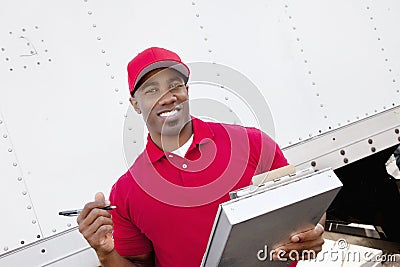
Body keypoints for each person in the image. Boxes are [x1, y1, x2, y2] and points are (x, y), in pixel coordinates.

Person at [77, 47, 325, 266]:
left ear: (186, 90)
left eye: (174, 85)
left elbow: (306, 208)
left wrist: (313, 230)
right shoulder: (126, 192)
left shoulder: (252, 143)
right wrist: (106, 254)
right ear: (135, 104)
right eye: (152, 90)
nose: (168, 97)